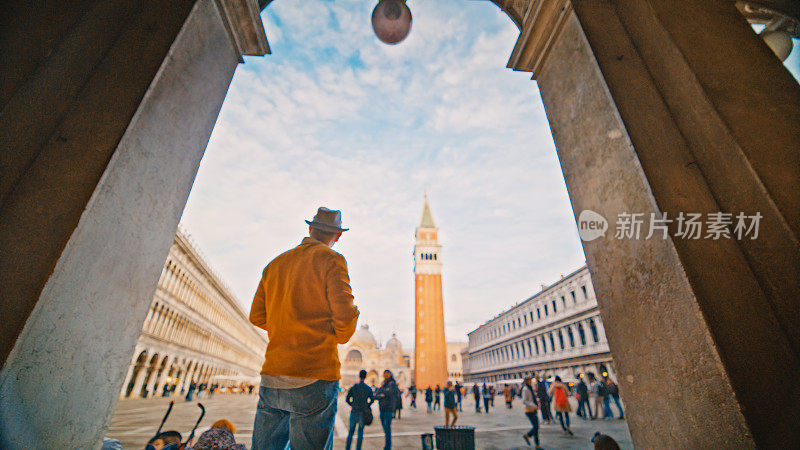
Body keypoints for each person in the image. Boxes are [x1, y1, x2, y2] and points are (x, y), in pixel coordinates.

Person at [249, 207, 359, 450]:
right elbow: (344, 318)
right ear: (337, 236)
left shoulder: (274, 264)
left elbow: (256, 316)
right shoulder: (332, 259)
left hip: (274, 374)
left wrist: (285, 327)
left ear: (310, 229)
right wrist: (336, 333)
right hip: (314, 372)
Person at [345, 370, 374, 450]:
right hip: (362, 412)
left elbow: (347, 399)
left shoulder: (354, 387)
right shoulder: (368, 388)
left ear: (359, 376)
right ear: (365, 377)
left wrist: (352, 405)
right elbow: (372, 400)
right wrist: (367, 406)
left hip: (354, 411)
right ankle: (358, 448)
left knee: (351, 432)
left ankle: (348, 448)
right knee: (360, 432)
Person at [375, 370, 401, 450]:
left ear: (390, 374)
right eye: (384, 373)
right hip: (382, 409)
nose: (385, 375)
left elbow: (389, 393)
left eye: (387, 373)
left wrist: (382, 394)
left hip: (389, 409)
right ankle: (387, 445)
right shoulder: (383, 384)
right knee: (385, 429)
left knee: (387, 428)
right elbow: (376, 395)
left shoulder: (392, 384)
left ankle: (388, 447)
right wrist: (381, 395)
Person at [520, 377, 542, 449]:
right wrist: (533, 405)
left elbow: (531, 398)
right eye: (529, 381)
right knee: (536, 427)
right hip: (529, 410)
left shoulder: (530, 388)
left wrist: (536, 401)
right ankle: (527, 436)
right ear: (526, 381)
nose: (530, 382)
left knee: (536, 427)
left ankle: (537, 445)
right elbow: (524, 401)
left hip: (533, 410)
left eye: (530, 381)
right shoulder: (525, 389)